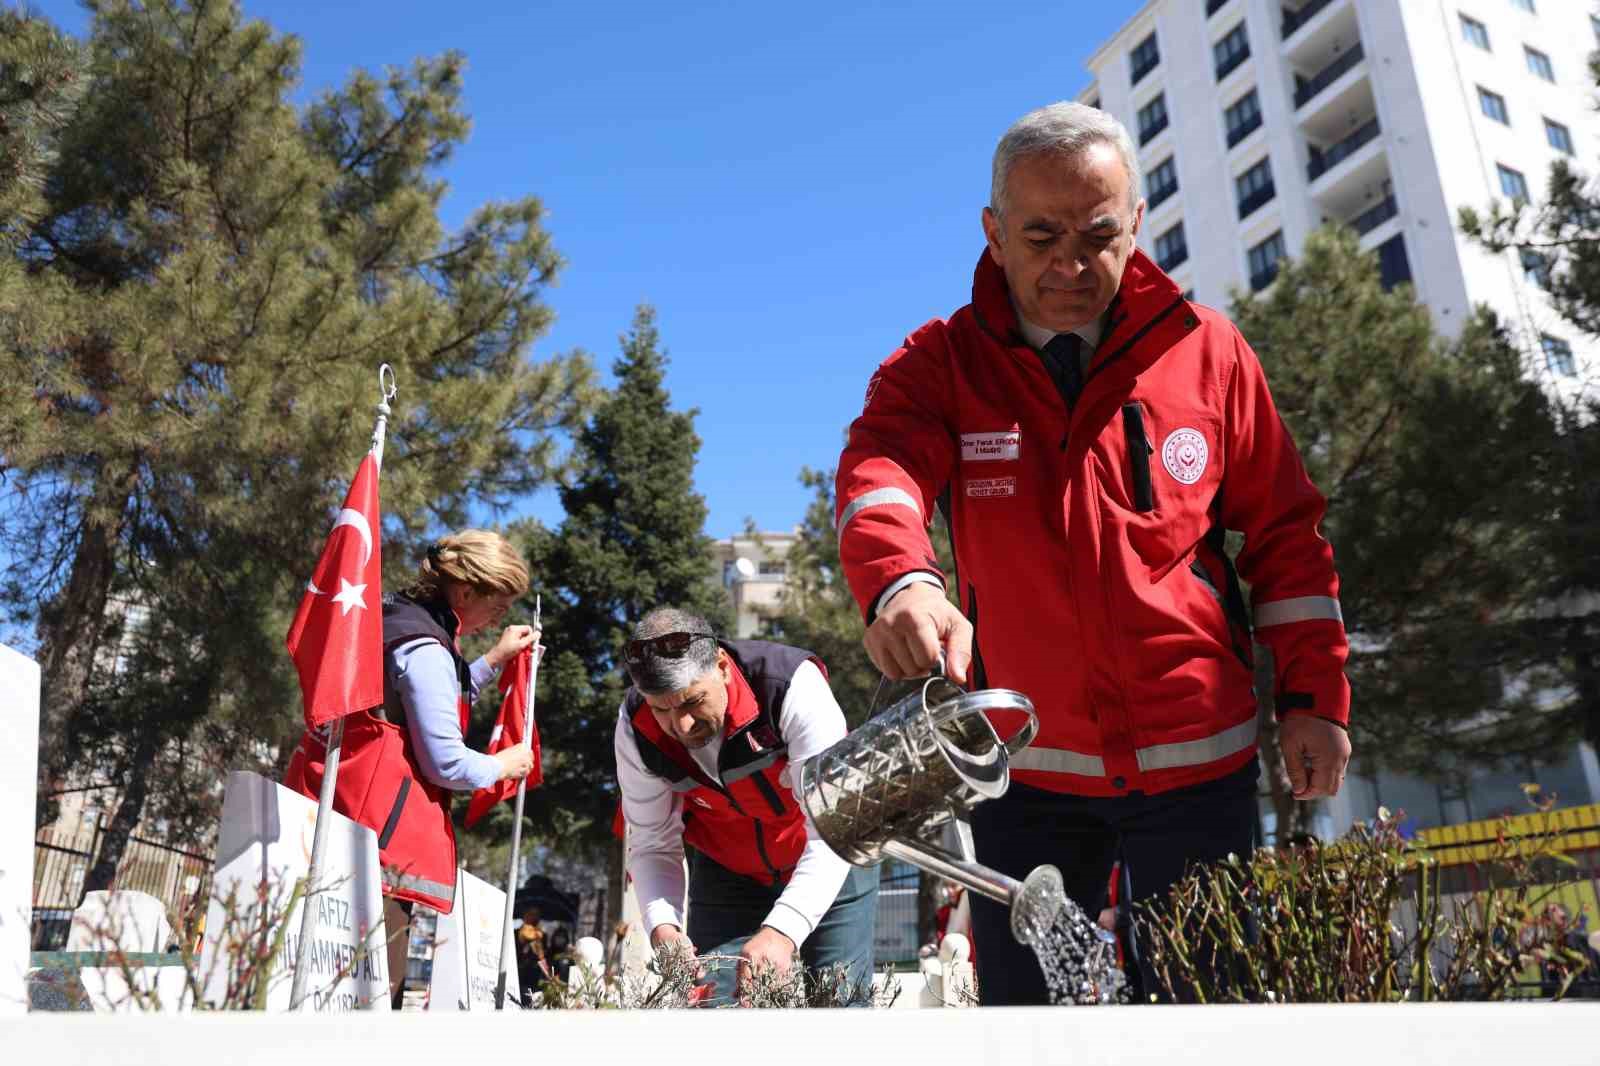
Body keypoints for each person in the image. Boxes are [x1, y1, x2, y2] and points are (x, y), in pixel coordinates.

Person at [833, 101, 1352, 1004]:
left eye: (1098, 235)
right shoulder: (941, 365)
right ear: (994, 234)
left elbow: (1286, 538)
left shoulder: (1209, 352)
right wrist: (901, 582)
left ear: (1137, 223)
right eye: (1041, 237)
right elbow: (880, 473)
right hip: (1028, 774)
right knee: (1032, 1030)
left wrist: (1313, 698)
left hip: (1201, 762)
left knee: (1206, 1018)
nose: (1071, 266)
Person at [286, 528, 538, 1005]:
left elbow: (418, 701)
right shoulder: (427, 648)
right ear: (466, 592)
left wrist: (493, 660)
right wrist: (502, 765)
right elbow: (446, 762)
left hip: (339, 816)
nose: (499, 618)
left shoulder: (397, 618)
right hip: (377, 849)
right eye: (498, 606)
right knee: (370, 998)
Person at [614, 606, 879, 1006]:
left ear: (722, 666)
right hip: (727, 873)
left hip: (831, 853)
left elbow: (835, 829)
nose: (680, 726)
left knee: (839, 1006)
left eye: (692, 702)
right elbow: (651, 843)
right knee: (714, 1007)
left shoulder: (791, 687)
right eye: (661, 710)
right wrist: (663, 926)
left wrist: (784, 930)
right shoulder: (635, 728)